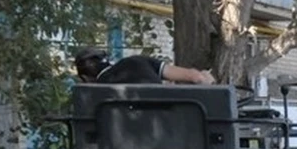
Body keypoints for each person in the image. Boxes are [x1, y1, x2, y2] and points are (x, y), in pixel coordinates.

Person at [74, 48, 215, 85]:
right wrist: (206, 78)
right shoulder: (138, 61)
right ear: (109, 61)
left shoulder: (91, 97)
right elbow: (193, 76)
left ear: (85, 78)